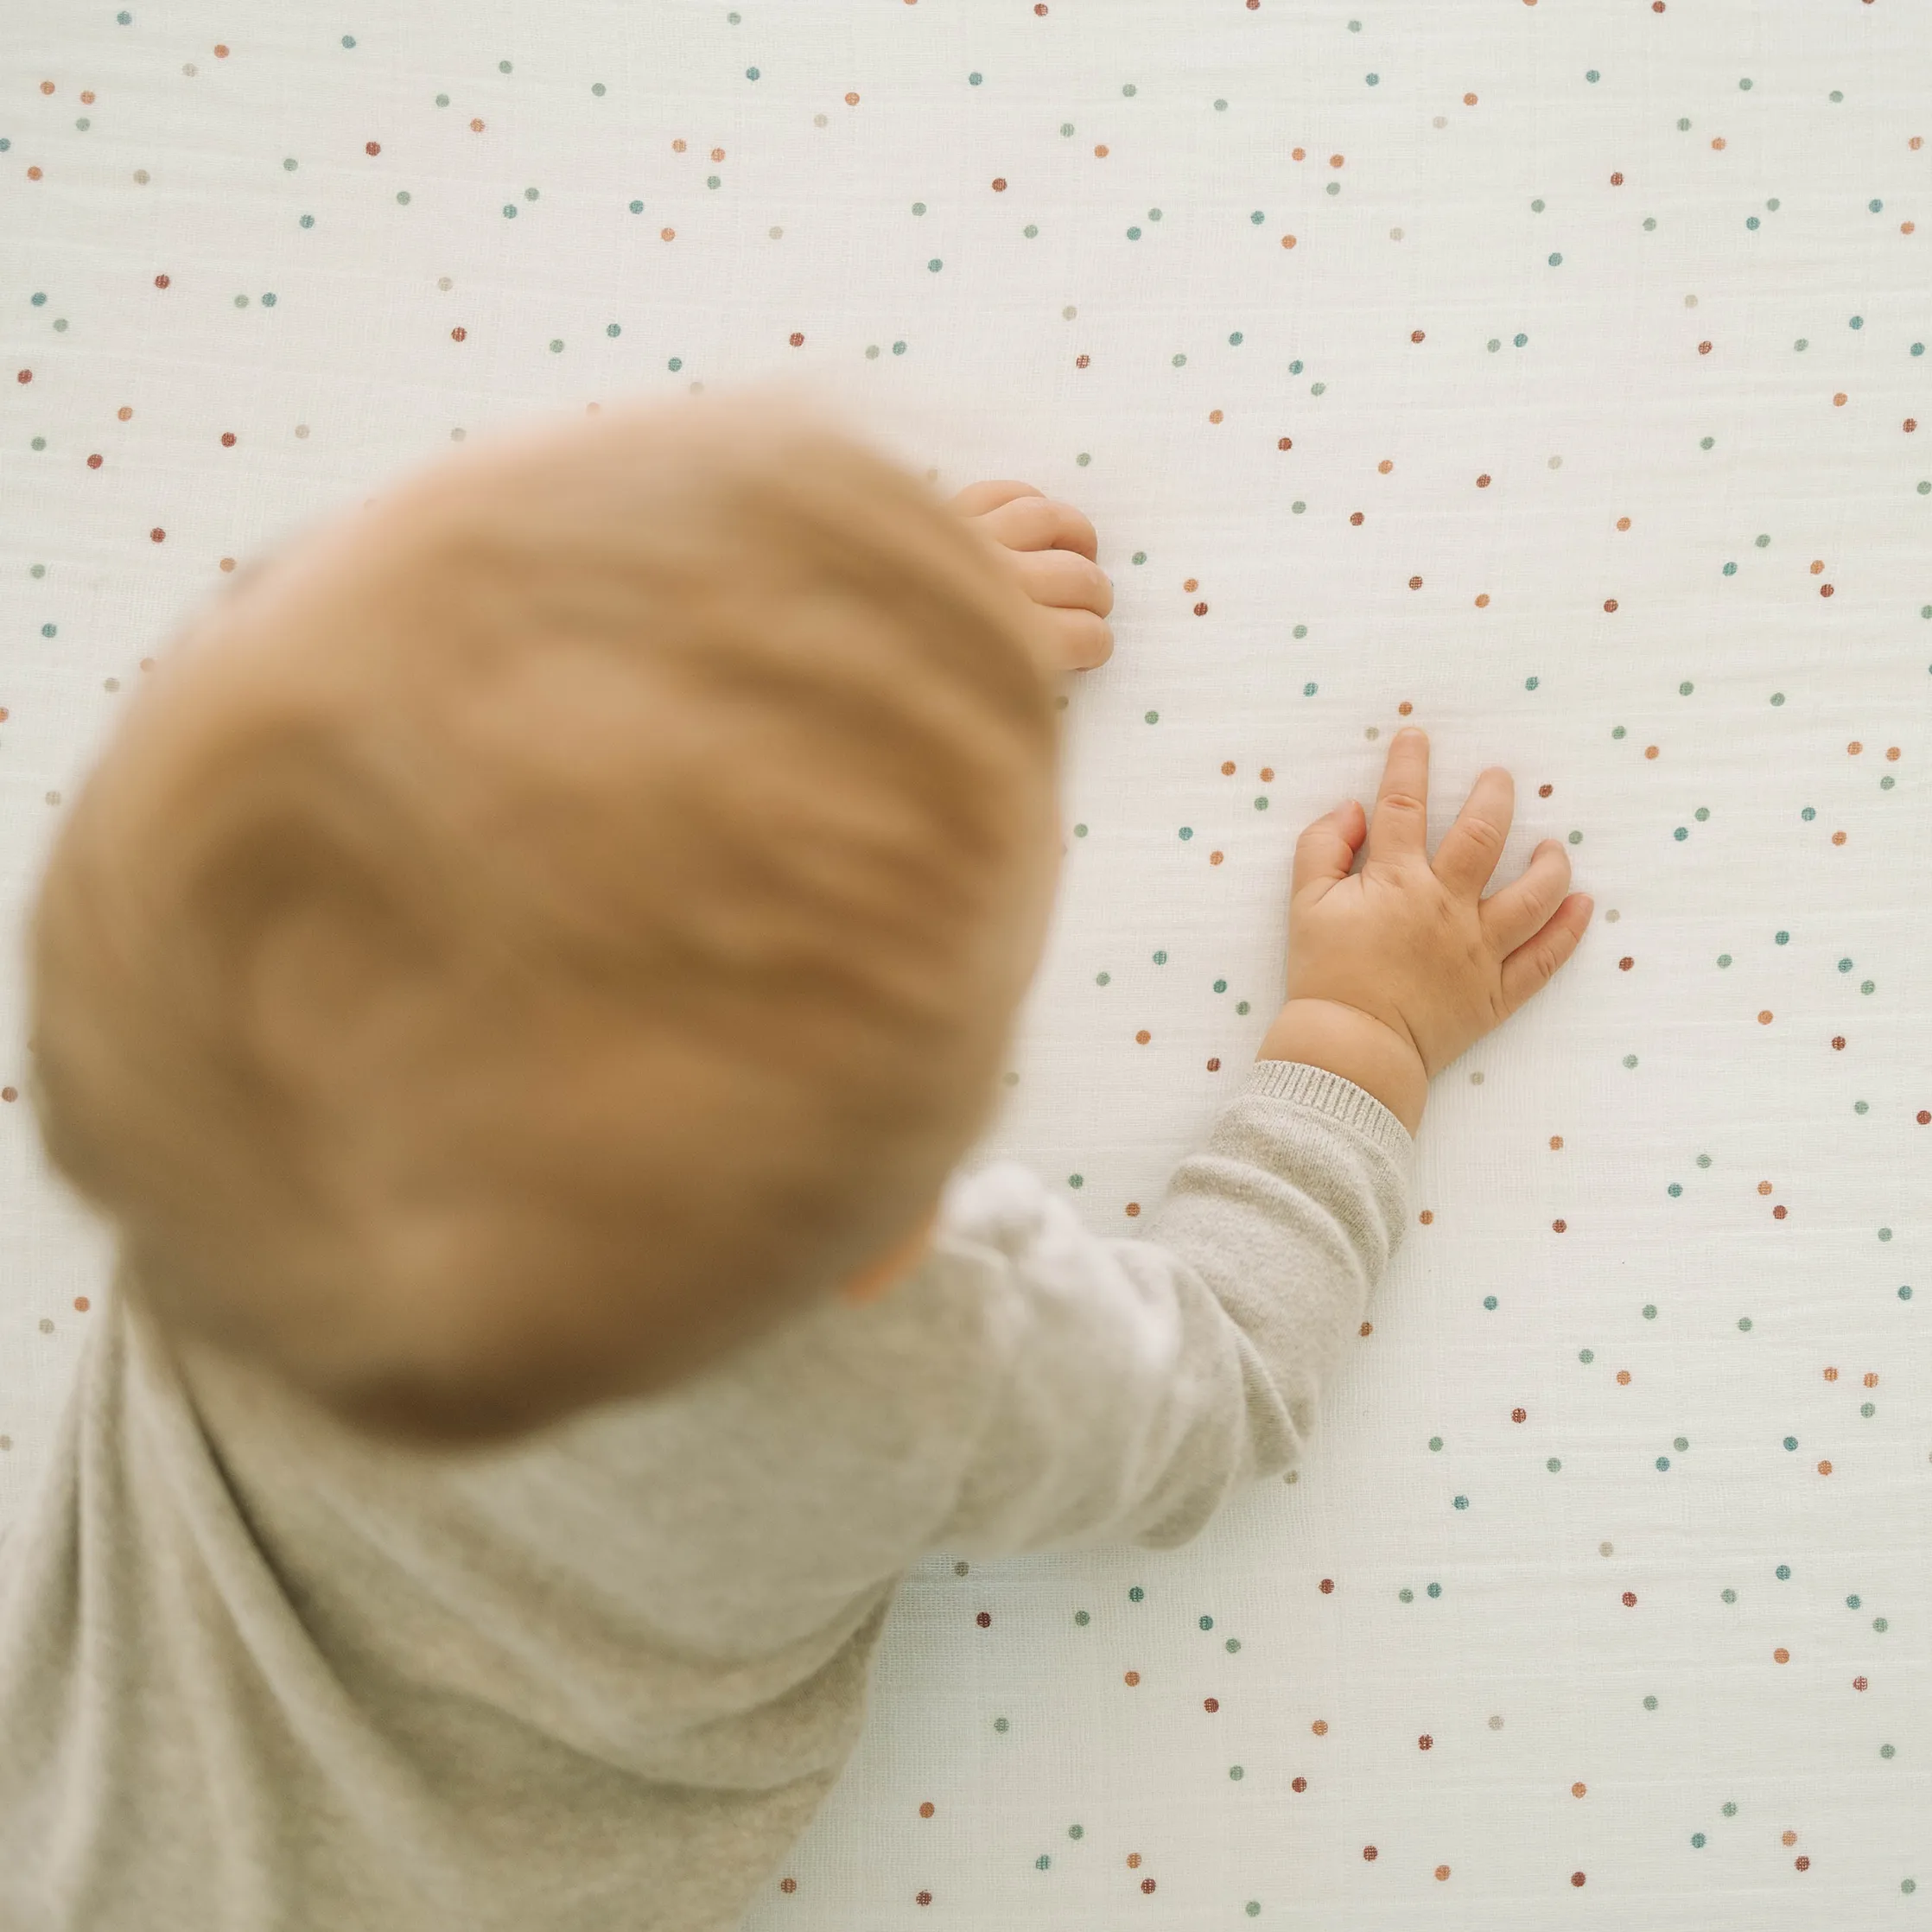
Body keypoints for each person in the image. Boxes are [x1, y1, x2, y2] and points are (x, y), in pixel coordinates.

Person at [0, 388, 1592, 1929]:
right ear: (895, 1230)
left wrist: (852, 668)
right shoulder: (912, 1360)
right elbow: (1222, 1385)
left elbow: (423, 831)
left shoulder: (237, 1144)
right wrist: (1359, 1034)